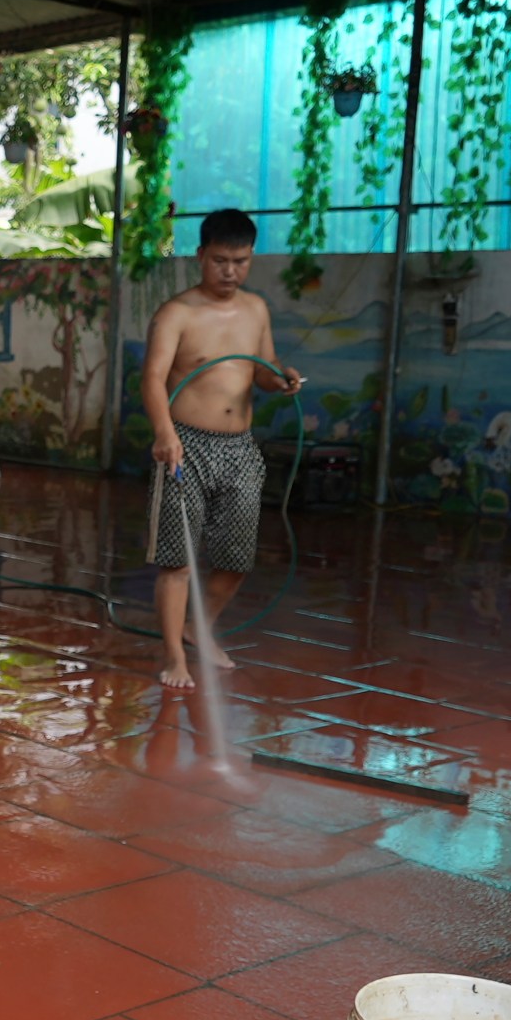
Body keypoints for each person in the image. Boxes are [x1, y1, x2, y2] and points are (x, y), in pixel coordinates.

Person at [142, 208, 304, 689]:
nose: (230, 271)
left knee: (235, 560)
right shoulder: (178, 313)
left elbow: (263, 368)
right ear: (200, 256)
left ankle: (198, 627)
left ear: (251, 258)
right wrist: (165, 433)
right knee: (177, 559)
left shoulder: (256, 310)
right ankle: (174, 657)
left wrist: (283, 380)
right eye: (219, 261)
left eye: (240, 261)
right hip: (184, 445)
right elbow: (152, 378)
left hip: (239, 448)